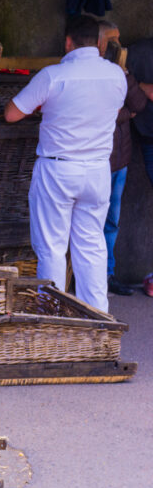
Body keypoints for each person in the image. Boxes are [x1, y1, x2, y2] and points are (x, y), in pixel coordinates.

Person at [5, 15, 126, 312]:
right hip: (97, 171)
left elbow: (11, 113)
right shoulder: (116, 76)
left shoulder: (53, 76)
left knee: (52, 249)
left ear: (68, 42)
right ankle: (97, 320)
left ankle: (52, 318)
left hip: (58, 170)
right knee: (92, 248)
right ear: (100, 43)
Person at [97, 20, 148, 296]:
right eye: (112, 40)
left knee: (112, 222)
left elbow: (139, 102)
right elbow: (102, 110)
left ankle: (107, 275)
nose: (118, 46)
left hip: (121, 159)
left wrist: (125, 74)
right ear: (99, 43)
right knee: (89, 223)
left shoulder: (120, 72)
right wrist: (126, 115)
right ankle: (82, 278)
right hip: (97, 161)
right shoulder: (91, 72)